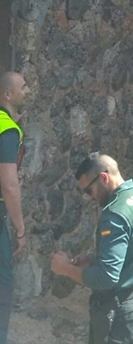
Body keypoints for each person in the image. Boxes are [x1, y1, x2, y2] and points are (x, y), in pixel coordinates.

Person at [51, 153, 133, 344]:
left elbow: (107, 277)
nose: (90, 198)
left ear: (103, 178)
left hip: (120, 314)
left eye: (88, 191)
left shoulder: (115, 214)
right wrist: (93, 259)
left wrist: (66, 269)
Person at [0, 72, 28, 344]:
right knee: (2, 282)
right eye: (23, 87)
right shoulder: (7, 130)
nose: (27, 91)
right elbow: (8, 184)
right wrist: (20, 230)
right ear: (7, 94)